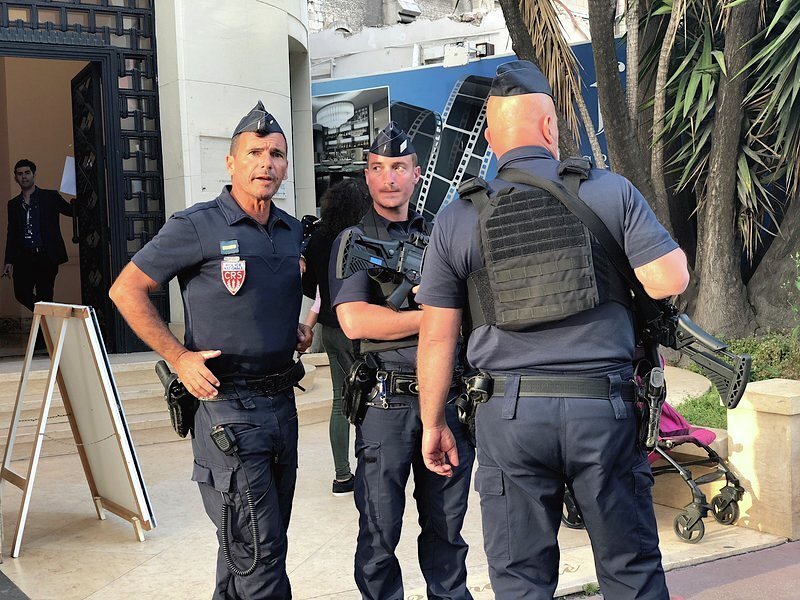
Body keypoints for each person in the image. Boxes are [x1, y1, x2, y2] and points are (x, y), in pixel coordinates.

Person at [416, 60, 689, 599]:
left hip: (509, 416)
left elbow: (437, 336)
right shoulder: (608, 192)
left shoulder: (457, 217)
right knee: (631, 570)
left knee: (520, 580)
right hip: (602, 412)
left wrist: (433, 423)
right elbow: (668, 281)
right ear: (549, 126)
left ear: (491, 138)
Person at [109, 101, 312, 599]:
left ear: (286, 165)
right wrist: (178, 357)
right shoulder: (197, 225)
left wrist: (293, 329)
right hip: (228, 409)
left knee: (246, 546)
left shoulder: (291, 231)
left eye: (276, 155)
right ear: (231, 162)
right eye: (254, 153)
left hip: (282, 406)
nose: (266, 164)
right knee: (259, 554)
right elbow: (126, 290)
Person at [329, 122, 475, 600]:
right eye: (377, 168)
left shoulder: (442, 232)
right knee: (378, 535)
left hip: (447, 401)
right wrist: (437, 316)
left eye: (398, 167)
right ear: (366, 177)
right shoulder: (355, 240)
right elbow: (355, 320)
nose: (388, 177)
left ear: (416, 174)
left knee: (447, 532)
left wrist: (435, 314)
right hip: (385, 404)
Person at [301, 178, 371, 495]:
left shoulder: (317, 238)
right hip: (361, 329)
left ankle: (342, 474)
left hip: (330, 329)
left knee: (341, 400)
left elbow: (309, 288)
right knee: (371, 400)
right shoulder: (362, 237)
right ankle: (372, 468)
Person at [3, 159, 73, 311]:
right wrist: (8, 260)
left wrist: (82, 193)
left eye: (27, 173)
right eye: (20, 174)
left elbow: (70, 211)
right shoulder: (13, 204)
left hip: (46, 255)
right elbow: (12, 233)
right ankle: (48, 315)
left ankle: (45, 322)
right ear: (16, 178)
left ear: (34, 175)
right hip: (24, 256)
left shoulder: (50, 197)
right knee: (21, 293)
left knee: (45, 296)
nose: (24, 177)